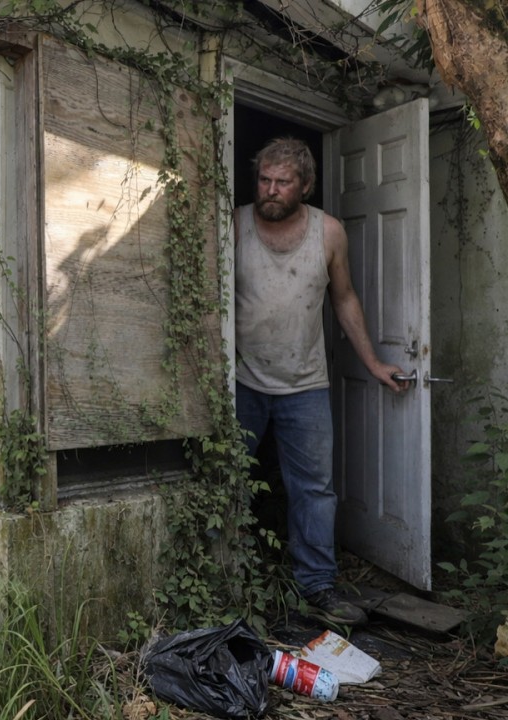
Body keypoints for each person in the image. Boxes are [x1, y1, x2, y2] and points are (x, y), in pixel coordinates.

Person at [233, 136, 409, 626]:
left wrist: (373, 363)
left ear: (305, 186)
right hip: (240, 383)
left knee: (314, 490)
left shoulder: (328, 233)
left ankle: (316, 586)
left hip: (306, 385)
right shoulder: (235, 223)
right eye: (264, 180)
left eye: (282, 182)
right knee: (229, 484)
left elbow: (345, 298)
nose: (270, 190)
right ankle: (229, 583)